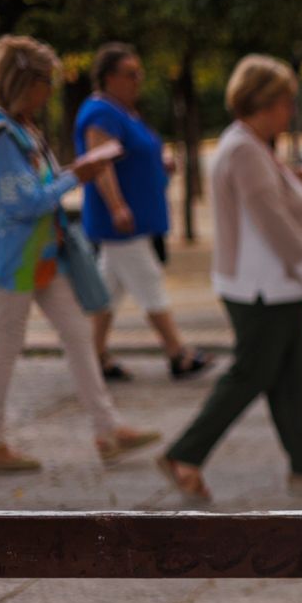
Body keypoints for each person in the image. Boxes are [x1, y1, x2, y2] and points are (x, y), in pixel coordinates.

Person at [157, 55, 302, 502]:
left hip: (272, 284)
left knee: (292, 374)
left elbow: (278, 202)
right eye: (286, 102)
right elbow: (271, 218)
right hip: (261, 285)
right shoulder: (244, 148)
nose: (291, 111)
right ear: (264, 102)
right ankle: (184, 454)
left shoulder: (252, 144)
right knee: (253, 372)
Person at [0, 35, 160, 473]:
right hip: (17, 257)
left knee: (77, 334)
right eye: (46, 84)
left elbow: (33, 186)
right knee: (6, 342)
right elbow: (24, 202)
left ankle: (107, 427)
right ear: (26, 82)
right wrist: (77, 175)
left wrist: (69, 175)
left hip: (38, 254)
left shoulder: (13, 123)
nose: (50, 93)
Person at [76, 42, 213, 382]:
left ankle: (93, 356)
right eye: (130, 74)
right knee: (147, 279)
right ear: (109, 78)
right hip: (121, 222)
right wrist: (118, 206)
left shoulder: (124, 111)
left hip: (132, 219)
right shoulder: (101, 113)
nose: (138, 80)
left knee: (109, 291)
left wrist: (158, 163)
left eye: (140, 73)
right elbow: (100, 163)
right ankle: (176, 352)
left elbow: (134, 152)